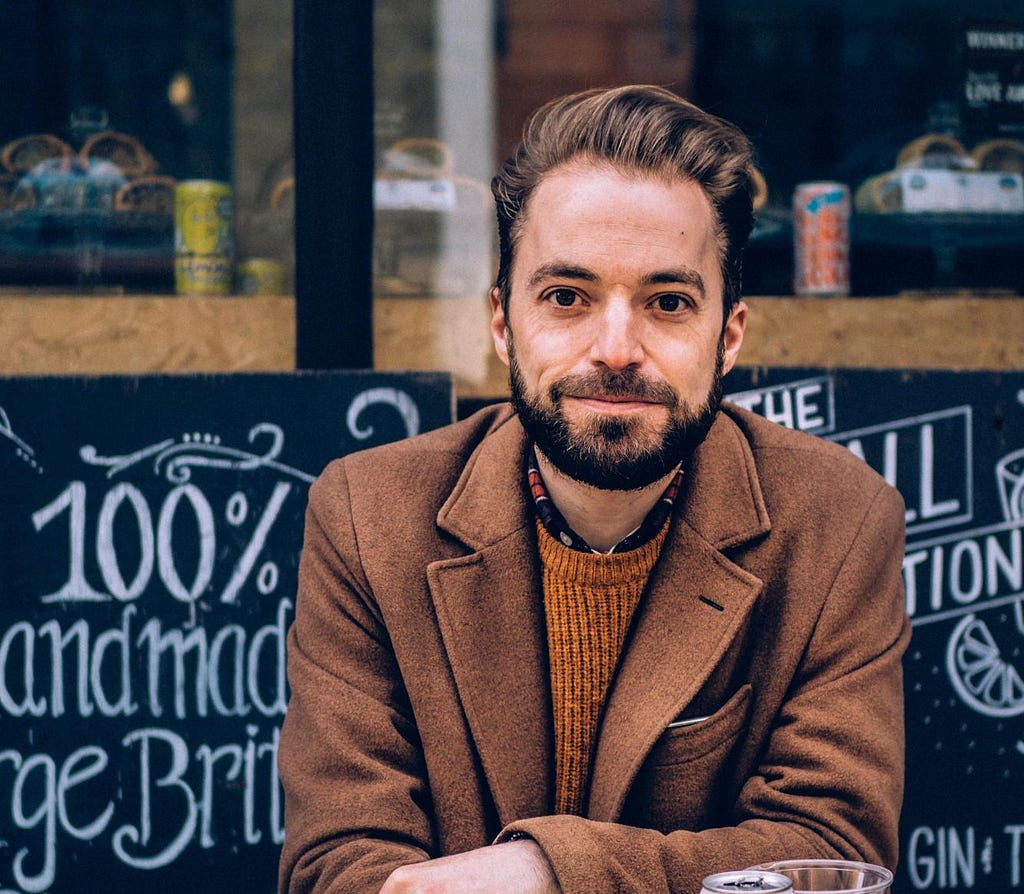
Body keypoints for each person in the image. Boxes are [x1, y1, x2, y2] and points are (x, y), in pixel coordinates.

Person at [277, 85, 910, 894]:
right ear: (502, 322)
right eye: (567, 297)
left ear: (730, 336)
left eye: (669, 302)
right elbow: (338, 866)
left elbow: (833, 850)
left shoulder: (839, 524)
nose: (617, 348)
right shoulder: (367, 517)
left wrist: (550, 873)